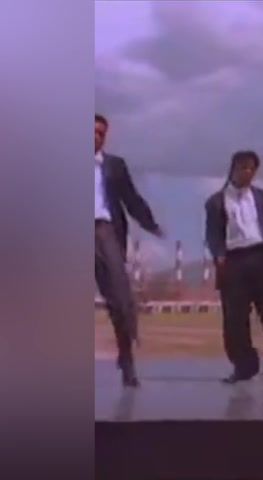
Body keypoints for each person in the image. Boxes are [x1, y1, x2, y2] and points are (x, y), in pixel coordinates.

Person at [204, 151, 263, 384]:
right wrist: (219, 256)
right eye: (242, 167)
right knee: (235, 319)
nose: (247, 172)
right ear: (233, 169)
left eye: (251, 168)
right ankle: (244, 366)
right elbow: (213, 234)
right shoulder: (217, 201)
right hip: (234, 261)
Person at [94, 113, 163, 388]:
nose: (95, 136)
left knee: (121, 300)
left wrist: (150, 223)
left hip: (104, 231)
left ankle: (127, 358)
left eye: (101, 133)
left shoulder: (114, 166)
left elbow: (130, 198)